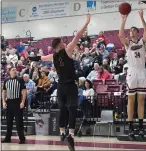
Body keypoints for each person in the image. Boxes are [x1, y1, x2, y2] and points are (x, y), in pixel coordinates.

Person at [28, 14, 91, 151]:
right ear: (59, 45)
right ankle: (71, 135)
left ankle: (62, 133)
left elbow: (40, 57)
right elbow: (78, 35)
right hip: (70, 85)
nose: (64, 43)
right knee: (72, 109)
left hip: (60, 86)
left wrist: (30, 57)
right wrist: (86, 23)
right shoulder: (67, 50)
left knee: (62, 109)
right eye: (62, 42)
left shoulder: (53, 56)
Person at [119, 10, 146, 140]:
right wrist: (124, 19)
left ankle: (141, 127)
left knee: (141, 100)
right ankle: (131, 128)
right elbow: (120, 36)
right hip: (132, 72)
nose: (131, 32)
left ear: (137, 32)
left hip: (142, 71)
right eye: (130, 31)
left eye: (133, 30)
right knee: (131, 101)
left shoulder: (142, 42)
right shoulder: (128, 43)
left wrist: (142, 18)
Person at [2, 67, 26, 144]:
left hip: (17, 102)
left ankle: (22, 138)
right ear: (9, 72)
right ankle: (8, 138)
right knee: (9, 121)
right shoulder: (6, 80)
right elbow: (4, 92)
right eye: (13, 70)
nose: (15, 71)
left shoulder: (20, 79)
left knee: (19, 121)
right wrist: (3, 101)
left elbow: (24, 91)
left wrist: (22, 102)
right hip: (9, 102)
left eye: (15, 70)